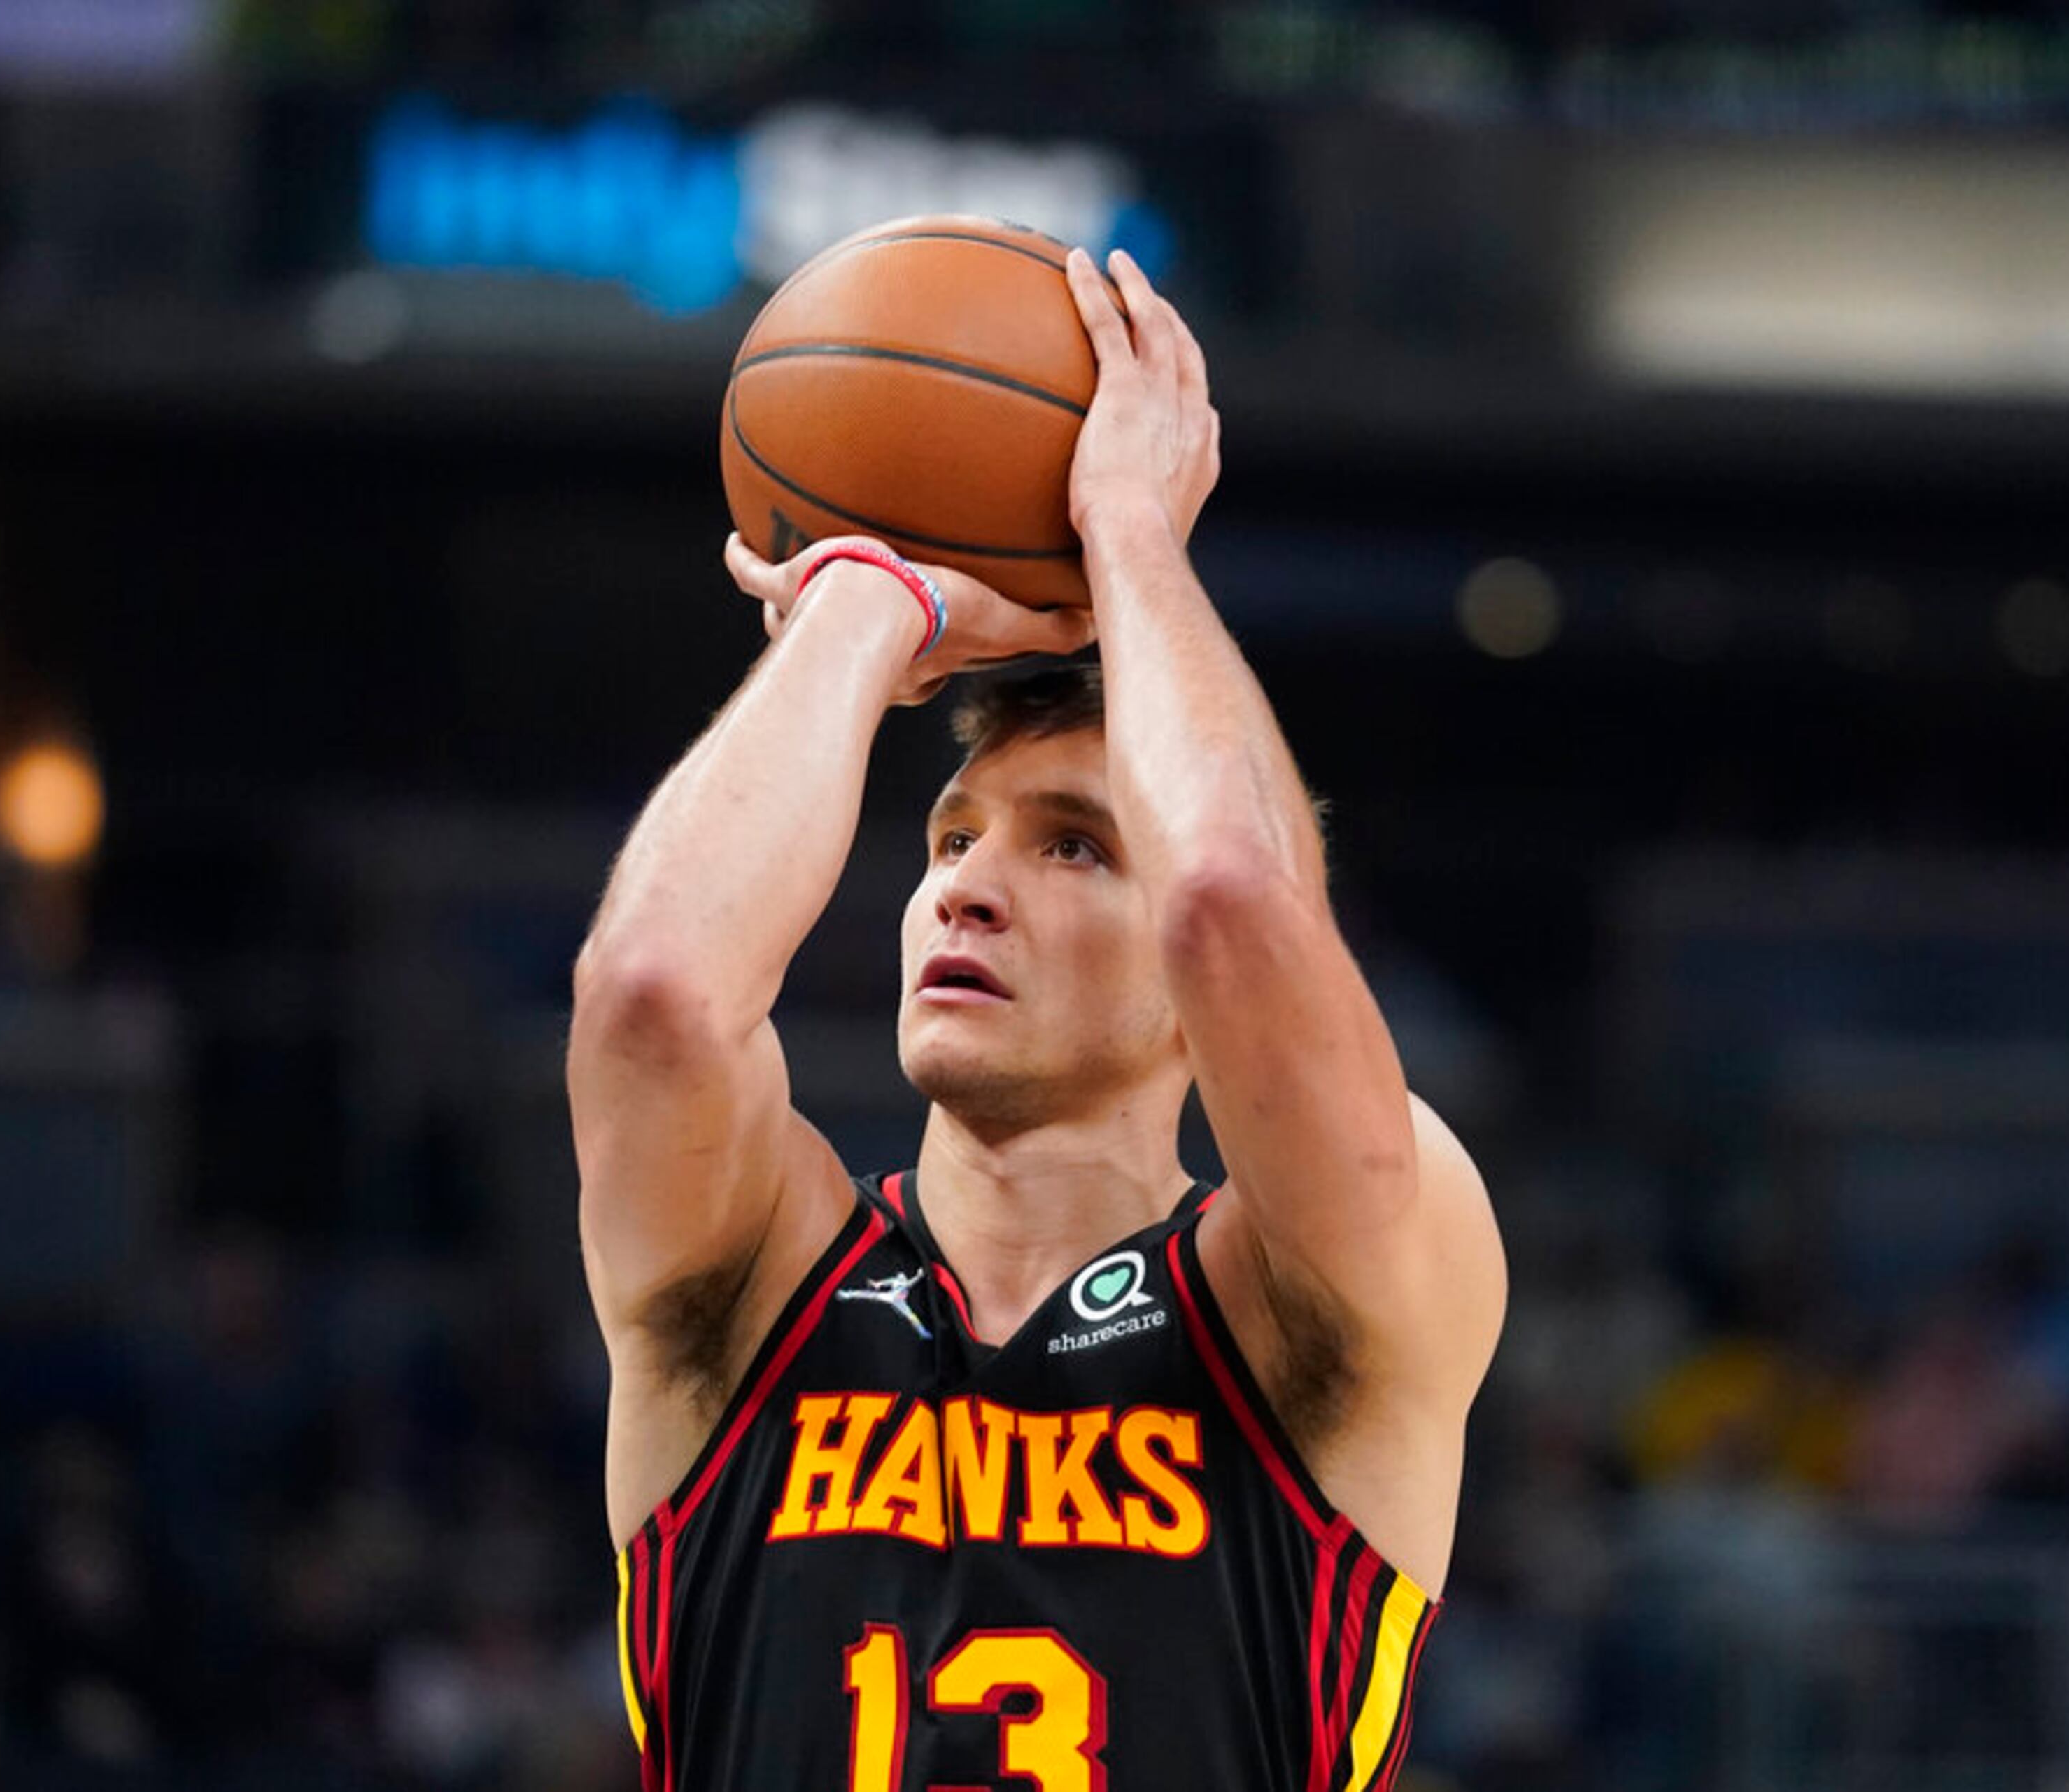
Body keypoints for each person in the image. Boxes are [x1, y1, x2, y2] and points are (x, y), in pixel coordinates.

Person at [567, 245, 1506, 1791]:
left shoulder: (1310, 1300)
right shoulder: (757, 1281)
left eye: (1072, 842)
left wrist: (1129, 533)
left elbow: (1239, 907)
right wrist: (865, 602)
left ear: (1201, 1012)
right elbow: (655, 991)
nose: (967, 890)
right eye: (950, 840)